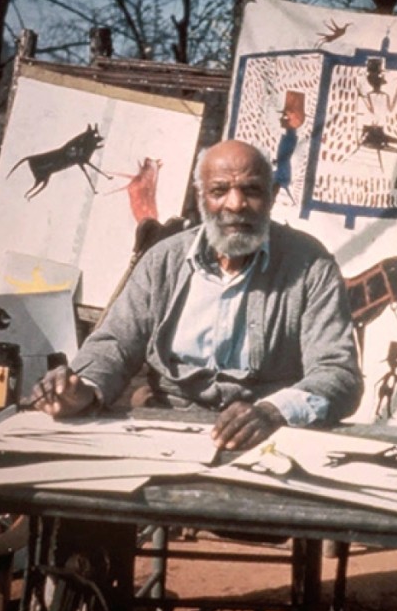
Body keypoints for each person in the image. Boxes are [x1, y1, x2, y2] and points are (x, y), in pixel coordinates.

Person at [27, 139, 363, 450]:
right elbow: (115, 344)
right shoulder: (164, 261)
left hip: (264, 440)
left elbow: (338, 374)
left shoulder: (310, 266)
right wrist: (81, 388)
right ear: (200, 198)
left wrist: (273, 411)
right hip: (162, 431)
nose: (236, 204)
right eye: (219, 191)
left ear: (272, 196)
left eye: (252, 190)